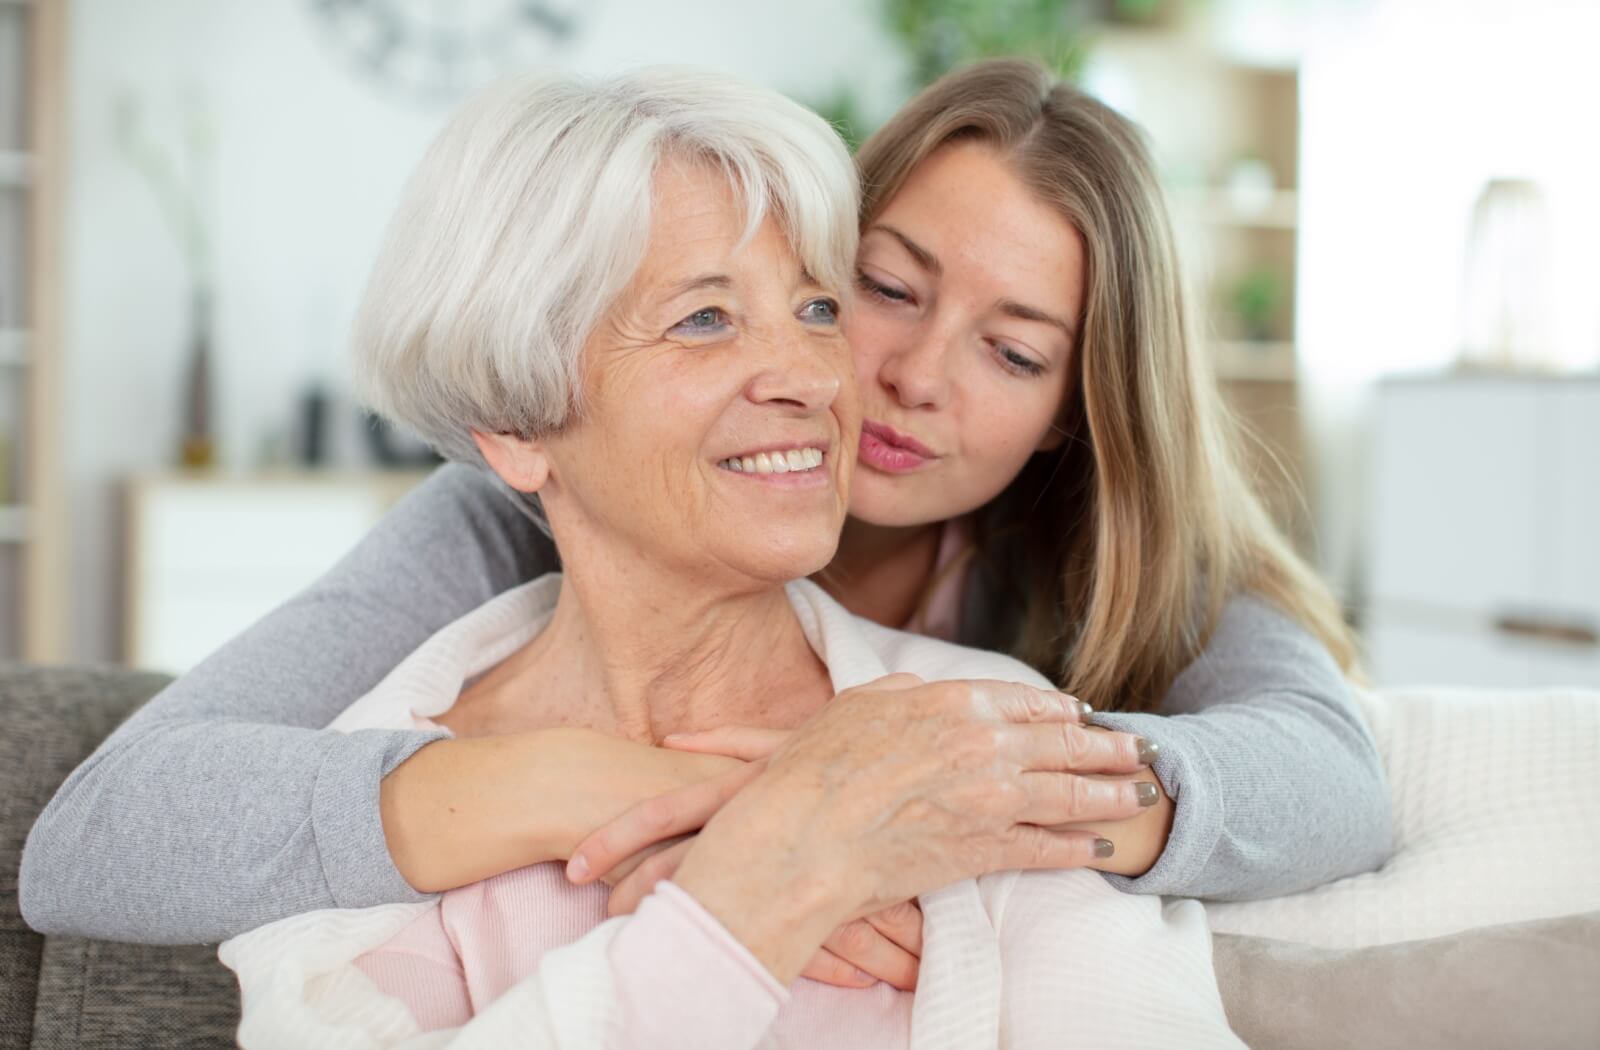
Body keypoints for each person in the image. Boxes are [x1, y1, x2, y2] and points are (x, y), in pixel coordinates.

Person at [21, 59, 1390, 990]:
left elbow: (1331, 773)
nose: (909, 375)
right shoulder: (510, 519)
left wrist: (971, 793)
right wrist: (713, 800)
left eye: (1015, 353)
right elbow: (108, 833)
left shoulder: (1108, 564)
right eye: (880, 288)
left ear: (1074, 416)